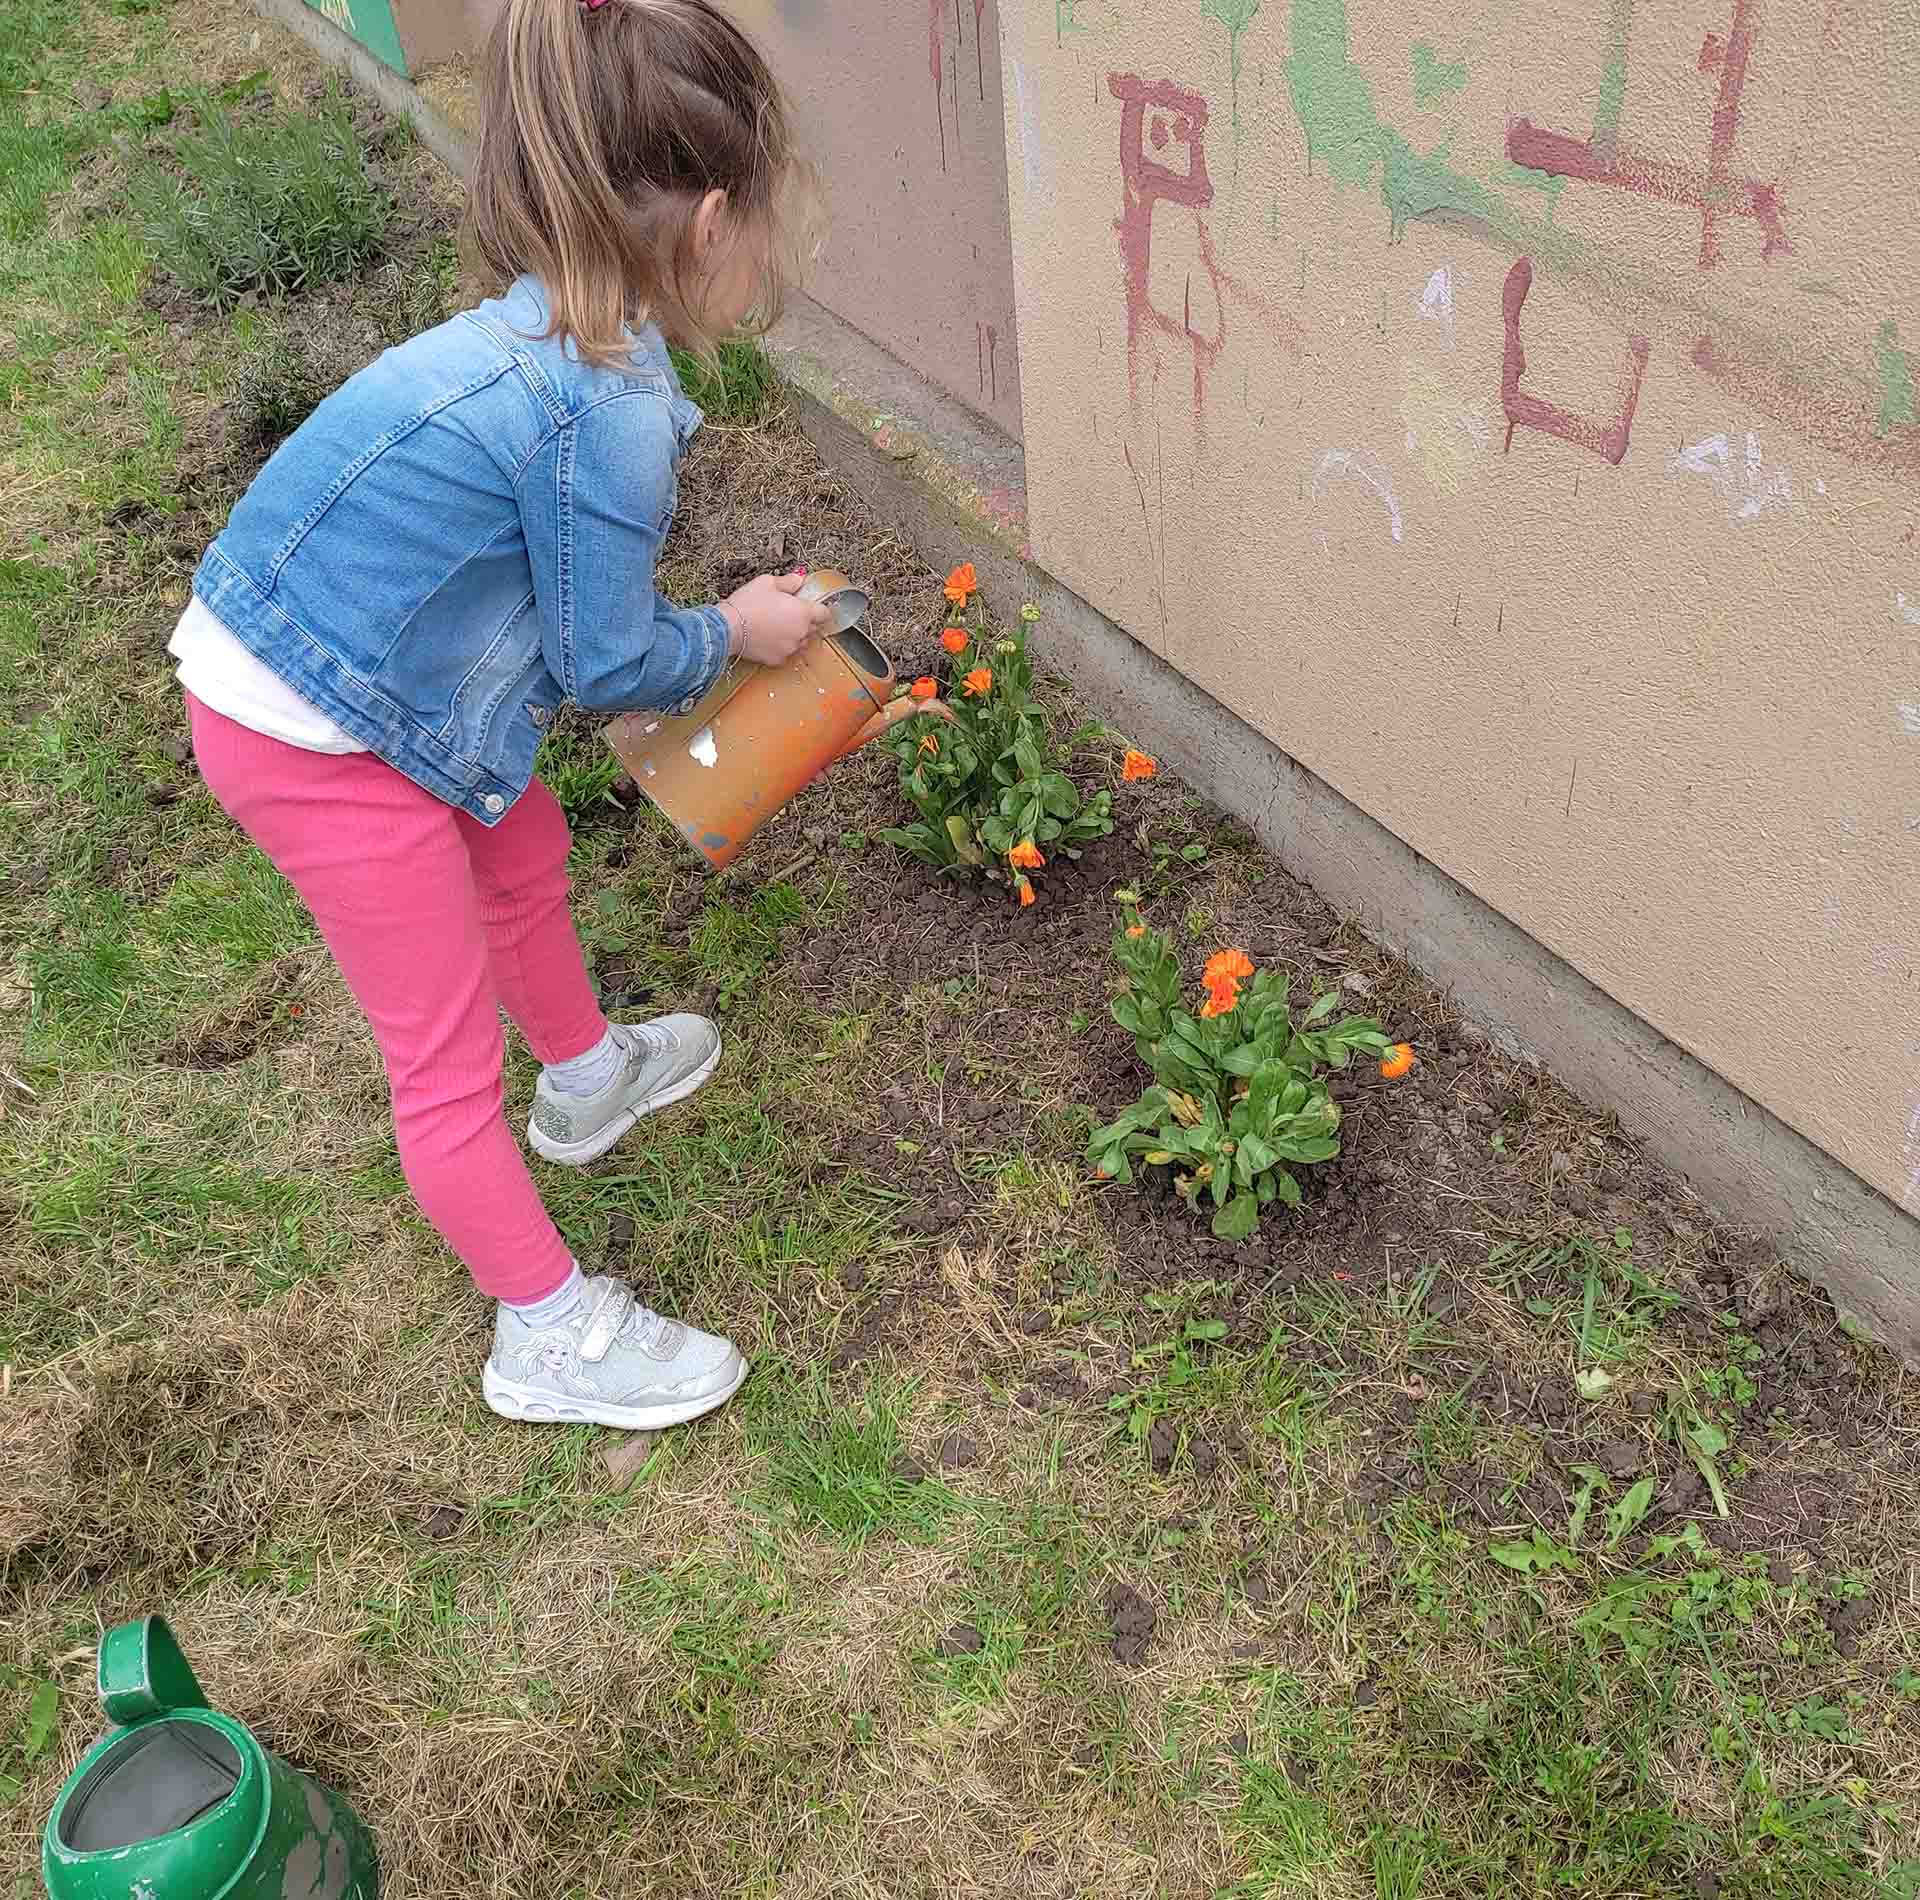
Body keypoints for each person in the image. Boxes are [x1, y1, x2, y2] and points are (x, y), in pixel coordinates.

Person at [169, 0, 826, 1432]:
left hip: (358, 672)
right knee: (443, 1062)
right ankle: (548, 1333)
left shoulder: (555, 328)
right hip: (309, 730)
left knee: (520, 848)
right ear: (714, 224)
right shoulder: (604, 409)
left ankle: (585, 1078)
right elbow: (606, 662)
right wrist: (736, 633)